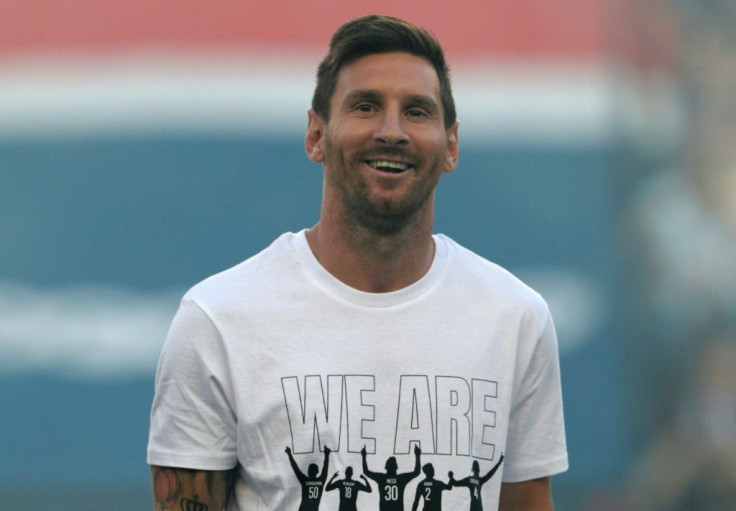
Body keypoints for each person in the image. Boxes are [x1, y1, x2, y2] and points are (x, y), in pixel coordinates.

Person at [147, 14, 568, 511]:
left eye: (416, 111)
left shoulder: (515, 318)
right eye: (366, 106)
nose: (391, 132)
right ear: (316, 135)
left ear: (450, 145)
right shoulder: (218, 320)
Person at [361, 444, 421, 510]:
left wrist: (363, 456)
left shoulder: (381, 478)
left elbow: (366, 471)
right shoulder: (401, 478)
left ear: (386, 467)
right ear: (396, 468)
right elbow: (417, 472)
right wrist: (417, 455)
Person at [286, 445, 331, 511]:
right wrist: (327, 455)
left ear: (308, 471)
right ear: (317, 471)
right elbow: (325, 469)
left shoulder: (304, 480)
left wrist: (289, 454)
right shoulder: (321, 481)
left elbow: (295, 468)